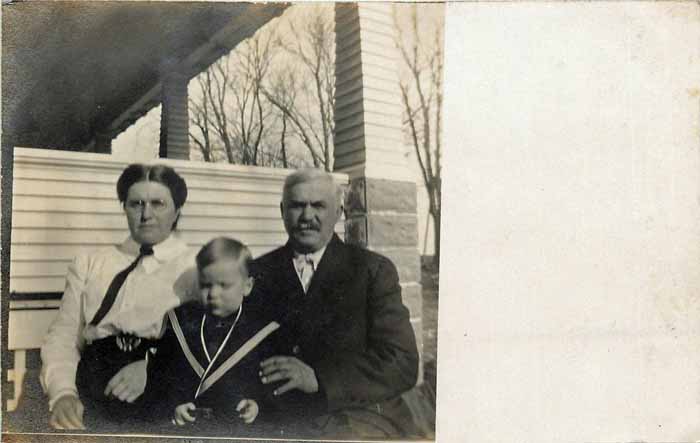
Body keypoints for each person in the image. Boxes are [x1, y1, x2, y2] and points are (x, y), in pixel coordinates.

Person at [252, 168, 420, 439]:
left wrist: (320, 378)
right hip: (282, 420)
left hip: (358, 416)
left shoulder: (372, 271)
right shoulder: (256, 273)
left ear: (338, 212)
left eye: (318, 205)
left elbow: (402, 363)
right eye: (297, 206)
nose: (307, 216)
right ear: (282, 211)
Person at [40, 164, 197, 430]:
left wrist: (154, 369)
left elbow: (211, 342)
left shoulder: (196, 267)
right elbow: (64, 336)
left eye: (158, 203)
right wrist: (64, 393)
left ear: (177, 211)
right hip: (92, 395)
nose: (146, 214)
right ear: (124, 207)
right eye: (136, 204)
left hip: (163, 402)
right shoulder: (90, 263)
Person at [145, 237, 281, 436]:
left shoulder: (262, 330)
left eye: (224, 285)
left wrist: (257, 405)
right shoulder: (180, 322)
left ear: (247, 286)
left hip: (237, 433)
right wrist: (173, 408)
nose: (213, 294)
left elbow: (270, 385)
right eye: (206, 285)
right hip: (186, 433)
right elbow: (161, 376)